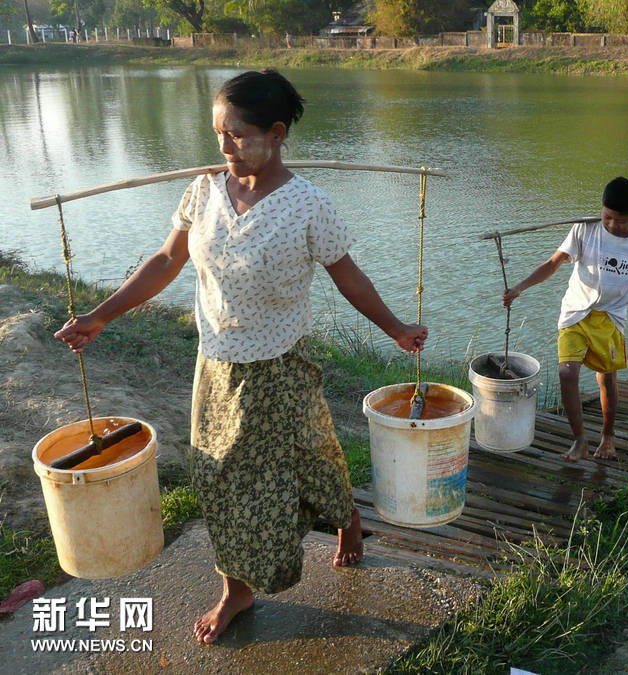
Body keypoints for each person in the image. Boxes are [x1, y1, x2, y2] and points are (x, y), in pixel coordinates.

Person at [54, 69, 428, 644]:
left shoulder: (308, 205)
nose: (223, 147)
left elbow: (349, 277)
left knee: (313, 456)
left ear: (277, 133)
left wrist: (396, 328)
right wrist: (102, 315)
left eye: (237, 135)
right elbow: (165, 261)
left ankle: (348, 520)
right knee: (219, 475)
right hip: (217, 365)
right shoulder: (203, 190)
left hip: (280, 368)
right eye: (218, 134)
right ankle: (237, 590)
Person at [502, 177, 628, 462]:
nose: (612, 225)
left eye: (621, 221)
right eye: (607, 217)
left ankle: (607, 436)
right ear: (601, 210)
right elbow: (553, 262)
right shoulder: (585, 228)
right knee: (567, 373)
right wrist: (519, 288)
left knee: (606, 379)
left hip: (611, 317)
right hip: (576, 313)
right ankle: (579, 439)